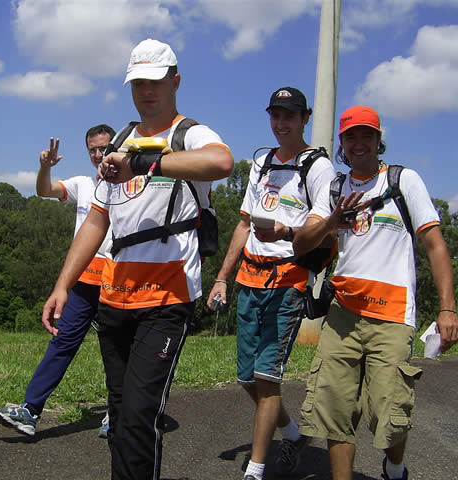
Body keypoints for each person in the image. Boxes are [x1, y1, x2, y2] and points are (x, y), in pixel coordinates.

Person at [42, 38, 233, 480]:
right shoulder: (122, 139)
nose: (146, 90)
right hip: (115, 297)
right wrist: (62, 286)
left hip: (167, 299)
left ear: (175, 81)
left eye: (155, 81)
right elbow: (97, 220)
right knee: (119, 416)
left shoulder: (189, 135)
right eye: (137, 82)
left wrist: (147, 164)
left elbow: (222, 162)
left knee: (139, 417)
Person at [294, 105, 458, 480]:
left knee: (391, 413)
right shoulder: (335, 188)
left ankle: (395, 466)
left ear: (379, 140)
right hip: (343, 315)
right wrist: (331, 222)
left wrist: (447, 309)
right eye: (350, 136)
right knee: (335, 411)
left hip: (393, 314)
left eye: (366, 135)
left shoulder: (403, 181)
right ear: (341, 144)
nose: (359, 143)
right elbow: (301, 244)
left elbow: (434, 244)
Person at [206, 87, 335, 480]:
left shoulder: (317, 166)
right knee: (247, 378)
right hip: (250, 278)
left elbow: (323, 228)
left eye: (289, 116)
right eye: (275, 116)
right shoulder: (261, 161)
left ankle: (256, 469)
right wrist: (222, 277)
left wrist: (286, 231)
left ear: (304, 118)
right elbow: (244, 222)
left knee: (267, 377)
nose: (281, 124)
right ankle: (292, 434)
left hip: (289, 280)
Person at [0, 124, 116, 438]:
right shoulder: (83, 184)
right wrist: (44, 167)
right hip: (83, 281)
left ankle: (119, 413)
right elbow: (44, 191)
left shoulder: (130, 185)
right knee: (61, 343)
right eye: (93, 150)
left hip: (117, 280)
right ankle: (30, 411)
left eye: (104, 147)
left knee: (116, 350)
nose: (98, 154)